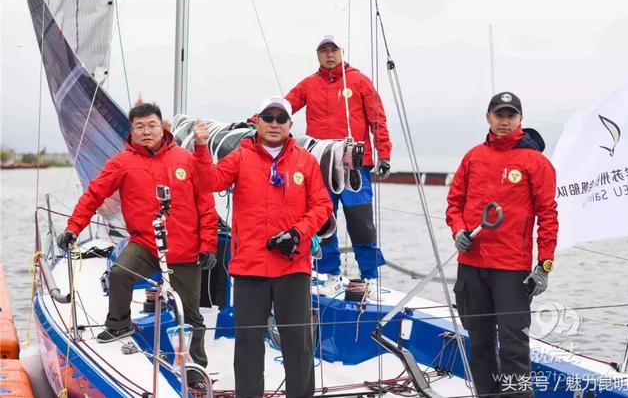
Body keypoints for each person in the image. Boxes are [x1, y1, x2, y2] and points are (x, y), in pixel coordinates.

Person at [56, 102, 217, 391]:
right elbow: (94, 196)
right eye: (139, 127)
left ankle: (196, 368)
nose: (146, 132)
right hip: (145, 244)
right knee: (119, 273)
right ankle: (119, 323)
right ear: (131, 130)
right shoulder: (121, 163)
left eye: (151, 125)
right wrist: (72, 228)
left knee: (191, 314)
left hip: (184, 249)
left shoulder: (186, 159)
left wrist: (208, 245)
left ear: (162, 127)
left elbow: (206, 204)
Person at [192, 96, 333, 398]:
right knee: (248, 345)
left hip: (292, 266)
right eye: (268, 117)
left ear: (290, 125)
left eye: (281, 118)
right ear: (257, 121)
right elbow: (208, 182)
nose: (274, 123)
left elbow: (322, 206)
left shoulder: (305, 161)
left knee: (298, 343)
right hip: (250, 267)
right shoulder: (240, 157)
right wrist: (202, 148)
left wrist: (297, 233)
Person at [446, 92, 558, 397]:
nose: (505, 121)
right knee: (479, 342)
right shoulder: (472, 157)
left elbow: (548, 215)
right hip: (471, 266)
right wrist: (458, 231)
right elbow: (454, 203)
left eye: (511, 115)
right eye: (499, 115)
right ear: (488, 117)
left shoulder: (536, 163)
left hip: (512, 269)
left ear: (521, 119)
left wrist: (544, 266)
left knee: (514, 345)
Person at [284, 35, 392, 297]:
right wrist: (256, 120)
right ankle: (328, 274)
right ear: (317, 55)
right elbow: (285, 106)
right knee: (324, 221)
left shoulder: (359, 81)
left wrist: (384, 154)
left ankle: (371, 277)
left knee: (361, 221)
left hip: (354, 165)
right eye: (323, 51)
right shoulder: (309, 84)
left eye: (333, 50)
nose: (329, 55)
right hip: (320, 164)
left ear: (342, 52)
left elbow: (377, 119)